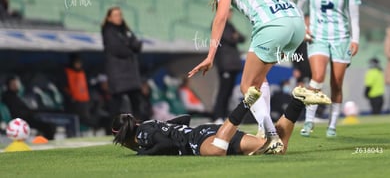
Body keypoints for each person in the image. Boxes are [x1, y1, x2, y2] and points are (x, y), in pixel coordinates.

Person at [188, 0, 363, 152]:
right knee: (260, 80)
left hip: (271, 26)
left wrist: (210, 55)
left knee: (247, 86)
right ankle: (267, 131)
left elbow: (220, 18)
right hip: (297, 25)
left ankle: (271, 137)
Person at [112, 88, 306, 156]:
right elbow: (185, 119)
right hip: (209, 130)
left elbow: (165, 143)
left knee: (216, 151)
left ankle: (245, 104)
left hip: (199, 139)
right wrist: (170, 126)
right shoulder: (149, 124)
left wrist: (143, 153)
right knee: (277, 148)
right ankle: (297, 102)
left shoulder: (142, 136)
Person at [296, 0, 362, 137]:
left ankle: (332, 124)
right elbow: (298, 8)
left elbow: (354, 16)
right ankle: (309, 121)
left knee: (336, 83)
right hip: (317, 37)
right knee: (317, 76)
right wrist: (304, 28)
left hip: (341, 38)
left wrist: (355, 39)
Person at [102, 7, 146, 121]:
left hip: (131, 74)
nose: (119, 17)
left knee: (136, 101)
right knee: (116, 103)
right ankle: (114, 128)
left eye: (120, 15)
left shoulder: (126, 30)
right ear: (109, 18)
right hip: (117, 74)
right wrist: (130, 48)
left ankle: (138, 127)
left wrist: (130, 46)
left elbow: (137, 44)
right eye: (115, 15)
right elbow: (117, 49)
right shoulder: (108, 31)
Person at [212, 9, 245, 123]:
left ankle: (223, 115)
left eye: (231, 12)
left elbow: (242, 38)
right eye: (228, 12)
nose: (230, 14)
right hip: (225, 64)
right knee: (223, 91)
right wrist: (234, 36)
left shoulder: (230, 25)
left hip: (233, 65)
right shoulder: (219, 23)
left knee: (229, 92)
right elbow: (229, 38)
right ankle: (217, 116)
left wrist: (235, 36)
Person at [1, 75, 56, 140]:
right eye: (13, 84)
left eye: (16, 83)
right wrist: (31, 113)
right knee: (48, 126)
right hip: (20, 122)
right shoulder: (8, 97)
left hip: (24, 119)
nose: (16, 85)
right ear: (8, 85)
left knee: (48, 124)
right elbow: (18, 112)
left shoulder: (15, 96)